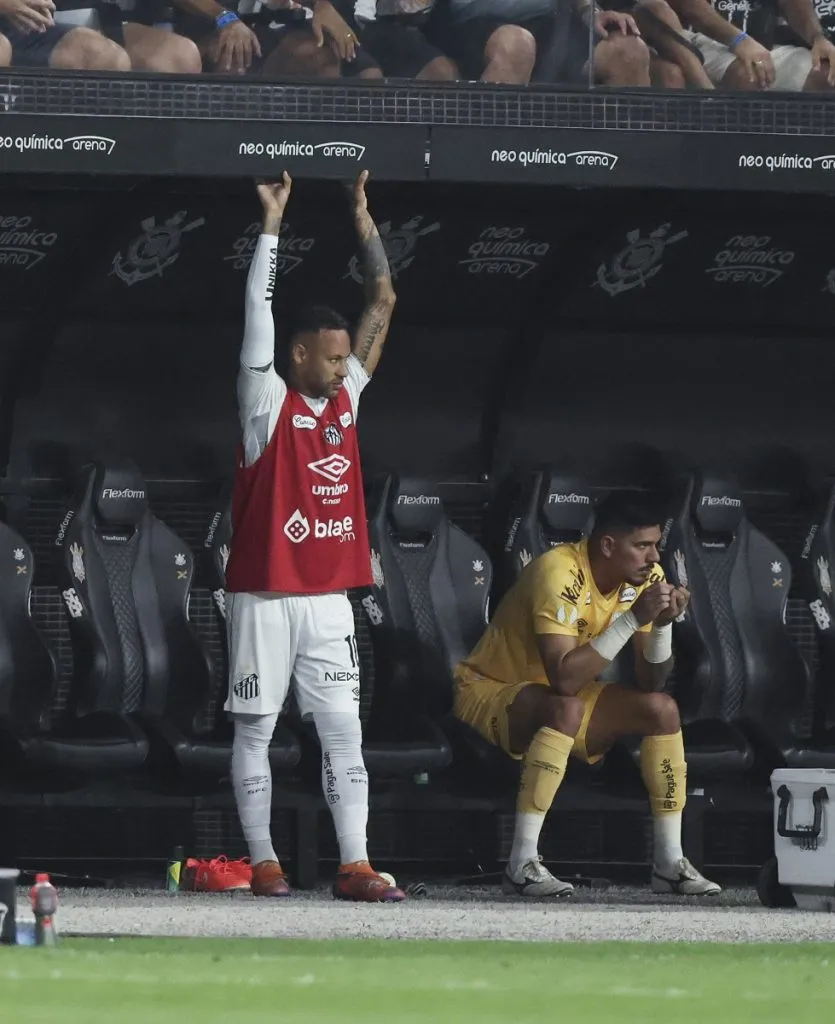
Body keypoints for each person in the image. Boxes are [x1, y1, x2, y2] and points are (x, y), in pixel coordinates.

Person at [223, 171, 405, 903]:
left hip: (328, 597)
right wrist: (271, 225)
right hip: (263, 598)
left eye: (344, 357)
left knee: (343, 735)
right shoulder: (265, 401)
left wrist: (361, 218)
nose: (344, 366)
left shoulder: (347, 400)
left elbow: (384, 300)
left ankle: (355, 864)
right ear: (299, 357)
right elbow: (257, 319)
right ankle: (265, 862)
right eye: (331, 357)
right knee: (255, 732)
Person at [453, 491, 721, 897]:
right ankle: (521, 863)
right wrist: (633, 619)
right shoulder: (557, 571)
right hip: (489, 689)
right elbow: (561, 679)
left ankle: (669, 864)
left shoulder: (645, 577)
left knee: (661, 709)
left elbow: (651, 682)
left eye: (656, 546)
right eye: (642, 546)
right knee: (565, 706)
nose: (653, 558)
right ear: (609, 545)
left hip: (567, 697)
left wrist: (663, 625)